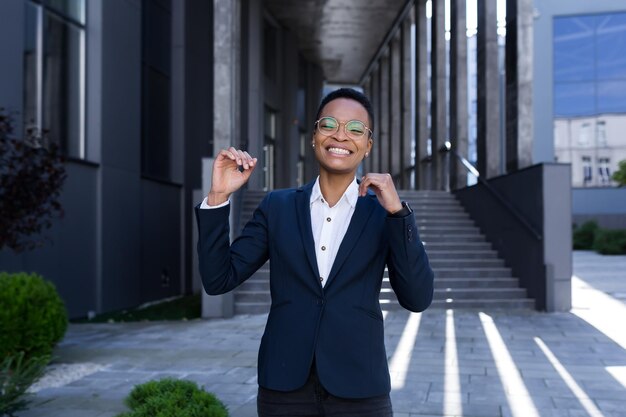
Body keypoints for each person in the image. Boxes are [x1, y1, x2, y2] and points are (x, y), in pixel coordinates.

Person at [196, 88, 434, 416]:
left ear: (368, 145)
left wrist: (399, 215)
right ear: (313, 137)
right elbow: (218, 279)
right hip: (284, 386)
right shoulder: (277, 207)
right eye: (329, 124)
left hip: (360, 387)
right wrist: (218, 196)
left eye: (355, 129)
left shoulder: (384, 213)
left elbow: (417, 298)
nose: (340, 135)